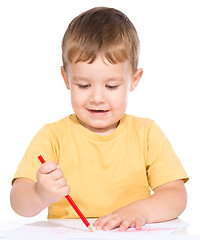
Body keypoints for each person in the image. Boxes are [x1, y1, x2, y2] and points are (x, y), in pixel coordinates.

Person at [10, 7, 188, 231]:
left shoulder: (147, 133)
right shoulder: (53, 136)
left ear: (134, 80)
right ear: (66, 78)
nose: (97, 98)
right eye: (83, 85)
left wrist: (140, 211)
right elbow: (18, 201)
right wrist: (39, 193)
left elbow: (176, 195)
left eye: (111, 86)